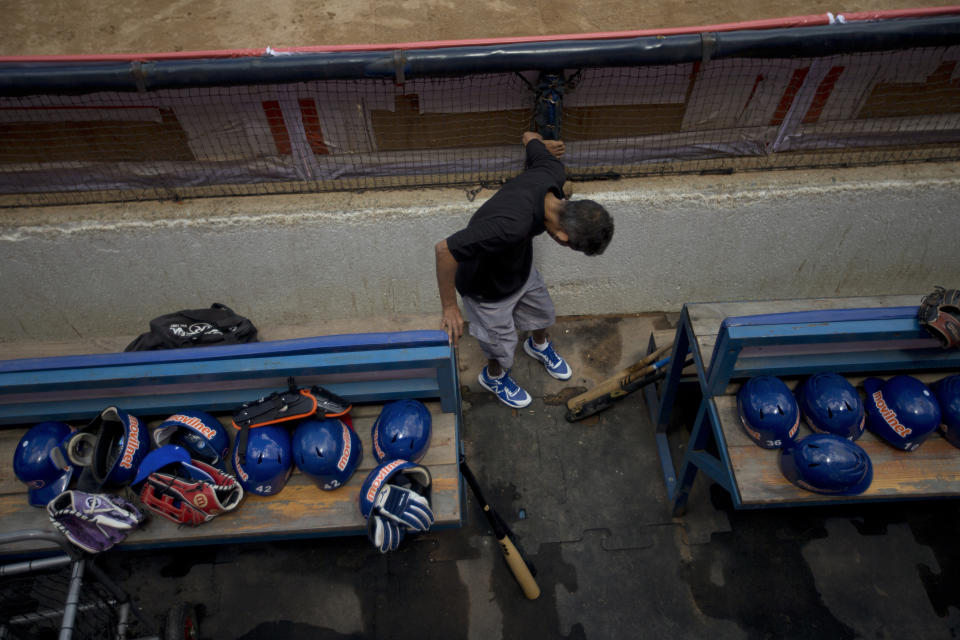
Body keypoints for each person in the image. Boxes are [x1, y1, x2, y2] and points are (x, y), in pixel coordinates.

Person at [434, 131, 614, 408]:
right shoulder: (510, 226)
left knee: (542, 313)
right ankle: (493, 376)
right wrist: (449, 307)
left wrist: (543, 145)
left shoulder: (552, 171)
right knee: (500, 346)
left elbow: (528, 135)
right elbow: (444, 250)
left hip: (520, 269)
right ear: (564, 239)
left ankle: (537, 345)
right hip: (486, 288)